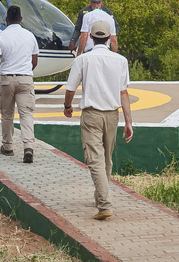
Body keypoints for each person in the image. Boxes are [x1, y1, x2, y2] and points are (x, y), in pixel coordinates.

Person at [63, 20, 133, 220]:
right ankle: (100, 197)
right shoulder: (120, 60)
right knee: (106, 159)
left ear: (91, 38)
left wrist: (67, 106)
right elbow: (123, 92)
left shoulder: (83, 60)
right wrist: (129, 121)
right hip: (112, 115)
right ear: (110, 38)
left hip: (91, 114)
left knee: (94, 159)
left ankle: (104, 204)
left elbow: (70, 88)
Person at [0, 5, 40, 163]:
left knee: (7, 114)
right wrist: (25, 72)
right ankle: (28, 147)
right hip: (25, 79)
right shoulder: (30, 36)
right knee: (26, 115)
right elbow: (34, 60)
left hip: (7, 80)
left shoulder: (0, 36)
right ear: (21, 19)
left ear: (7, 19)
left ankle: (8, 146)